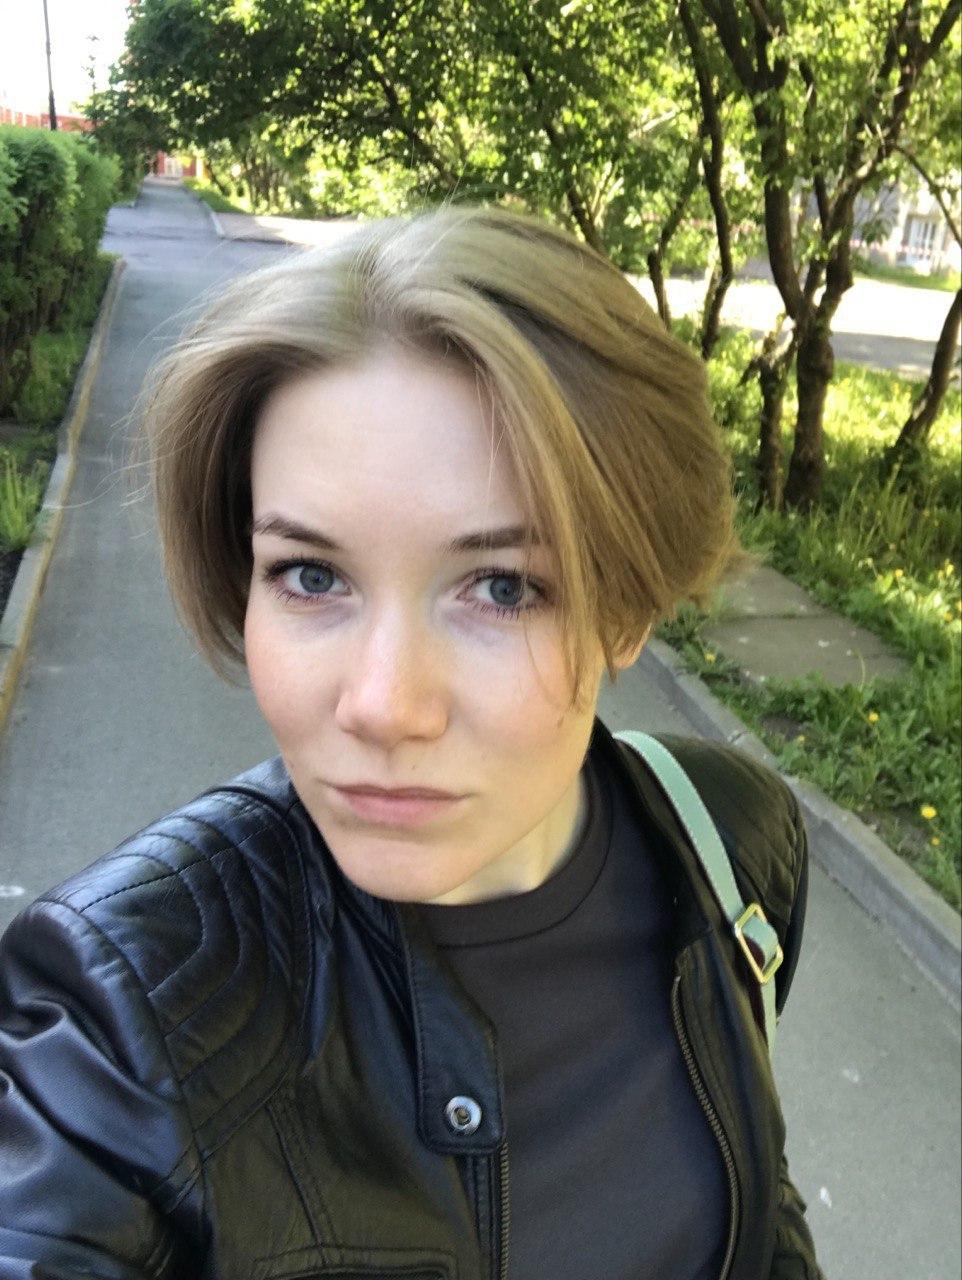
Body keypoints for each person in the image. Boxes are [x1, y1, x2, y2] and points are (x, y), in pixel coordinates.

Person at [0, 202, 826, 1279]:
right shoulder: (119, 1015)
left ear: (627, 608)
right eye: (311, 575)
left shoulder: (728, 840)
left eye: (502, 587)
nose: (384, 704)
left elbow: (754, 1197)